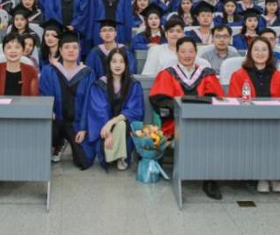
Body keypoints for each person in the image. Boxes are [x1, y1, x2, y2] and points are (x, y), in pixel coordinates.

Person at [149, 37, 224, 198]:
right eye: (183, 51)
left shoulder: (206, 73)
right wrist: (180, 110)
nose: (187, 55)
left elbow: (216, 99)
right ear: (177, 53)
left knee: (212, 137)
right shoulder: (167, 74)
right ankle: (184, 174)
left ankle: (210, 179)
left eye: (191, 51)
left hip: (203, 124)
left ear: (196, 53)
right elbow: (159, 100)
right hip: (175, 124)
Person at [0, 33, 39, 197]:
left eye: (17, 47)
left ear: (23, 50)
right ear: (3, 50)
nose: (13, 51)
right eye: (9, 47)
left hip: (21, 120)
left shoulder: (31, 71)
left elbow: (33, 100)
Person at [40, 32, 94, 168]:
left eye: (75, 47)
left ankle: (67, 140)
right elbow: (44, 96)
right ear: (60, 50)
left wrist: (83, 128)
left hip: (76, 124)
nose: (71, 50)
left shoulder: (87, 73)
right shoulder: (49, 71)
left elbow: (89, 102)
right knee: (40, 157)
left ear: (79, 50)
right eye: (67, 47)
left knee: (84, 161)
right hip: (55, 121)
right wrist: (49, 115)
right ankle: (58, 143)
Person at [86, 48, 145, 171]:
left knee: (122, 124)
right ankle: (116, 155)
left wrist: (112, 122)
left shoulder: (133, 84)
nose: (118, 65)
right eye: (114, 61)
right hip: (103, 126)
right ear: (108, 64)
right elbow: (99, 111)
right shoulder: (100, 84)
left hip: (125, 126)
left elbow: (134, 110)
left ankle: (120, 157)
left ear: (126, 64)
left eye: (121, 61)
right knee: (119, 124)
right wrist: (108, 131)